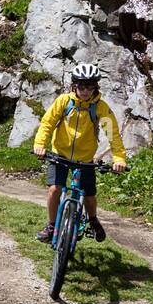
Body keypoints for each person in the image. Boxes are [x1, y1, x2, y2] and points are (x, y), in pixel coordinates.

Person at [31, 63, 128, 243]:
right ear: (74, 85)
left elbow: (113, 134)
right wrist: (39, 144)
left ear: (95, 87)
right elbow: (47, 123)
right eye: (81, 86)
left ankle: (93, 220)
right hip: (59, 154)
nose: (85, 91)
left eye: (90, 86)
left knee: (89, 196)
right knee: (54, 190)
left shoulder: (100, 107)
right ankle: (52, 226)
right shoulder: (63, 101)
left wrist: (119, 158)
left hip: (85, 159)